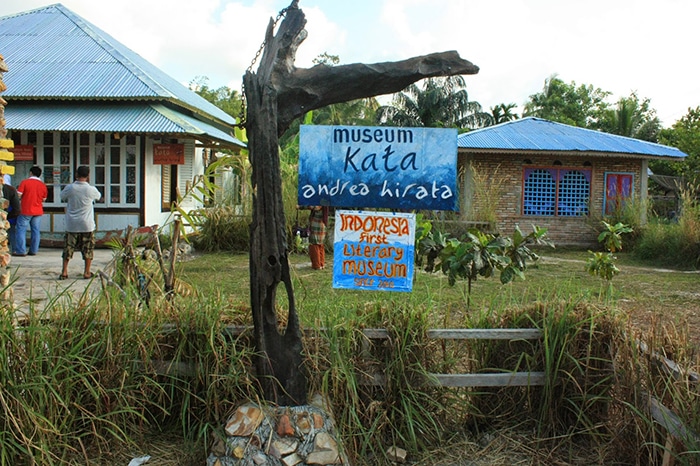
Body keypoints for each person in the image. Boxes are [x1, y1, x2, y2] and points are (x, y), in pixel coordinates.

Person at [59, 166, 102, 280]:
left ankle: (64, 271)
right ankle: (87, 272)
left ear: (76, 174)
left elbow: (62, 196)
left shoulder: (70, 188)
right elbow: (98, 197)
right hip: (86, 224)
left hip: (72, 223)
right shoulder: (91, 189)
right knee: (88, 249)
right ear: (88, 175)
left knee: (68, 248)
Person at [15, 166, 48, 256]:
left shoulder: (25, 182)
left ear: (30, 173)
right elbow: (44, 199)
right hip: (38, 210)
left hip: (26, 209)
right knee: (36, 230)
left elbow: (18, 195)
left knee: (21, 230)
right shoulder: (43, 185)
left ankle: (21, 251)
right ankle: (33, 250)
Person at [1, 175, 21, 254]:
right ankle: (15, 249)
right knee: (12, 232)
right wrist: (7, 217)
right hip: (6, 216)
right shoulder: (11, 189)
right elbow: (17, 209)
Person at [308, 205, 328, 270]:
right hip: (321, 226)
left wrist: (300, 206)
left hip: (317, 226)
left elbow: (313, 207)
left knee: (315, 245)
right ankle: (321, 264)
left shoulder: (320, 203)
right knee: (320, 245)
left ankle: (317, 265)